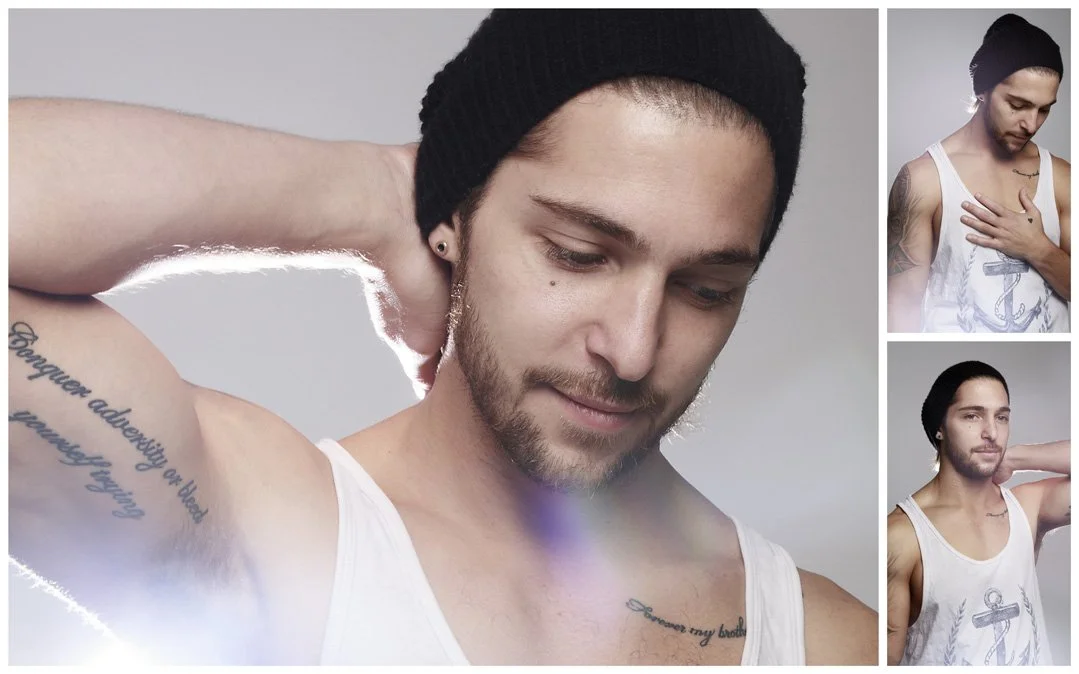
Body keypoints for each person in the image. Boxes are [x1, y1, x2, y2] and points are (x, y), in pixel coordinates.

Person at [9, 10, 876, 665]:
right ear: (455, 220)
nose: (633, 350)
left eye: (705, 289)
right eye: (577, 254)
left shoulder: (831, 643)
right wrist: (375, 195)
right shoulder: (263, 536)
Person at [887, 13, 1070, 332]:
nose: (1031, 124)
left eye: (1044, 109)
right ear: (983, 89)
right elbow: (900, 306)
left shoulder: (1064, 179)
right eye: (1017, 105)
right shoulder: (924, 179)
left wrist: (1037, 248)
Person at [886, 361, 1070, 665]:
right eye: (972, 416)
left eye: (1001, 417)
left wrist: (1015, 458)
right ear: (939, 427)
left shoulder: (1028, 507)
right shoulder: (903, 535)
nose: (992, 433)